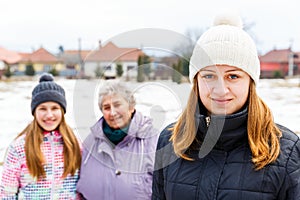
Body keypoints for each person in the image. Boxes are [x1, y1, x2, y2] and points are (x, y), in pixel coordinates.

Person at [152, 13, 300, 200]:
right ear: (196, 81)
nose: (221, 90)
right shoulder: (170, 141)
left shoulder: (285, 151)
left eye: (233, 76)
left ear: (250, 82)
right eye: (209, 76)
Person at [0, 73, 82, 199]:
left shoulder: (75, 144)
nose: (49, 115)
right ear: (34, 112)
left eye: (54, 108)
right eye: (43, 109)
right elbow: (7, 193)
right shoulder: (19, 148)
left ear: (62, 111)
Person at [76, 80, 159, 200]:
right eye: (106, 107)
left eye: (117, 105)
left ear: (131, 106)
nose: (112, 112)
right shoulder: (90, 142)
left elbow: (165, 188)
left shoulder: (153, 140)